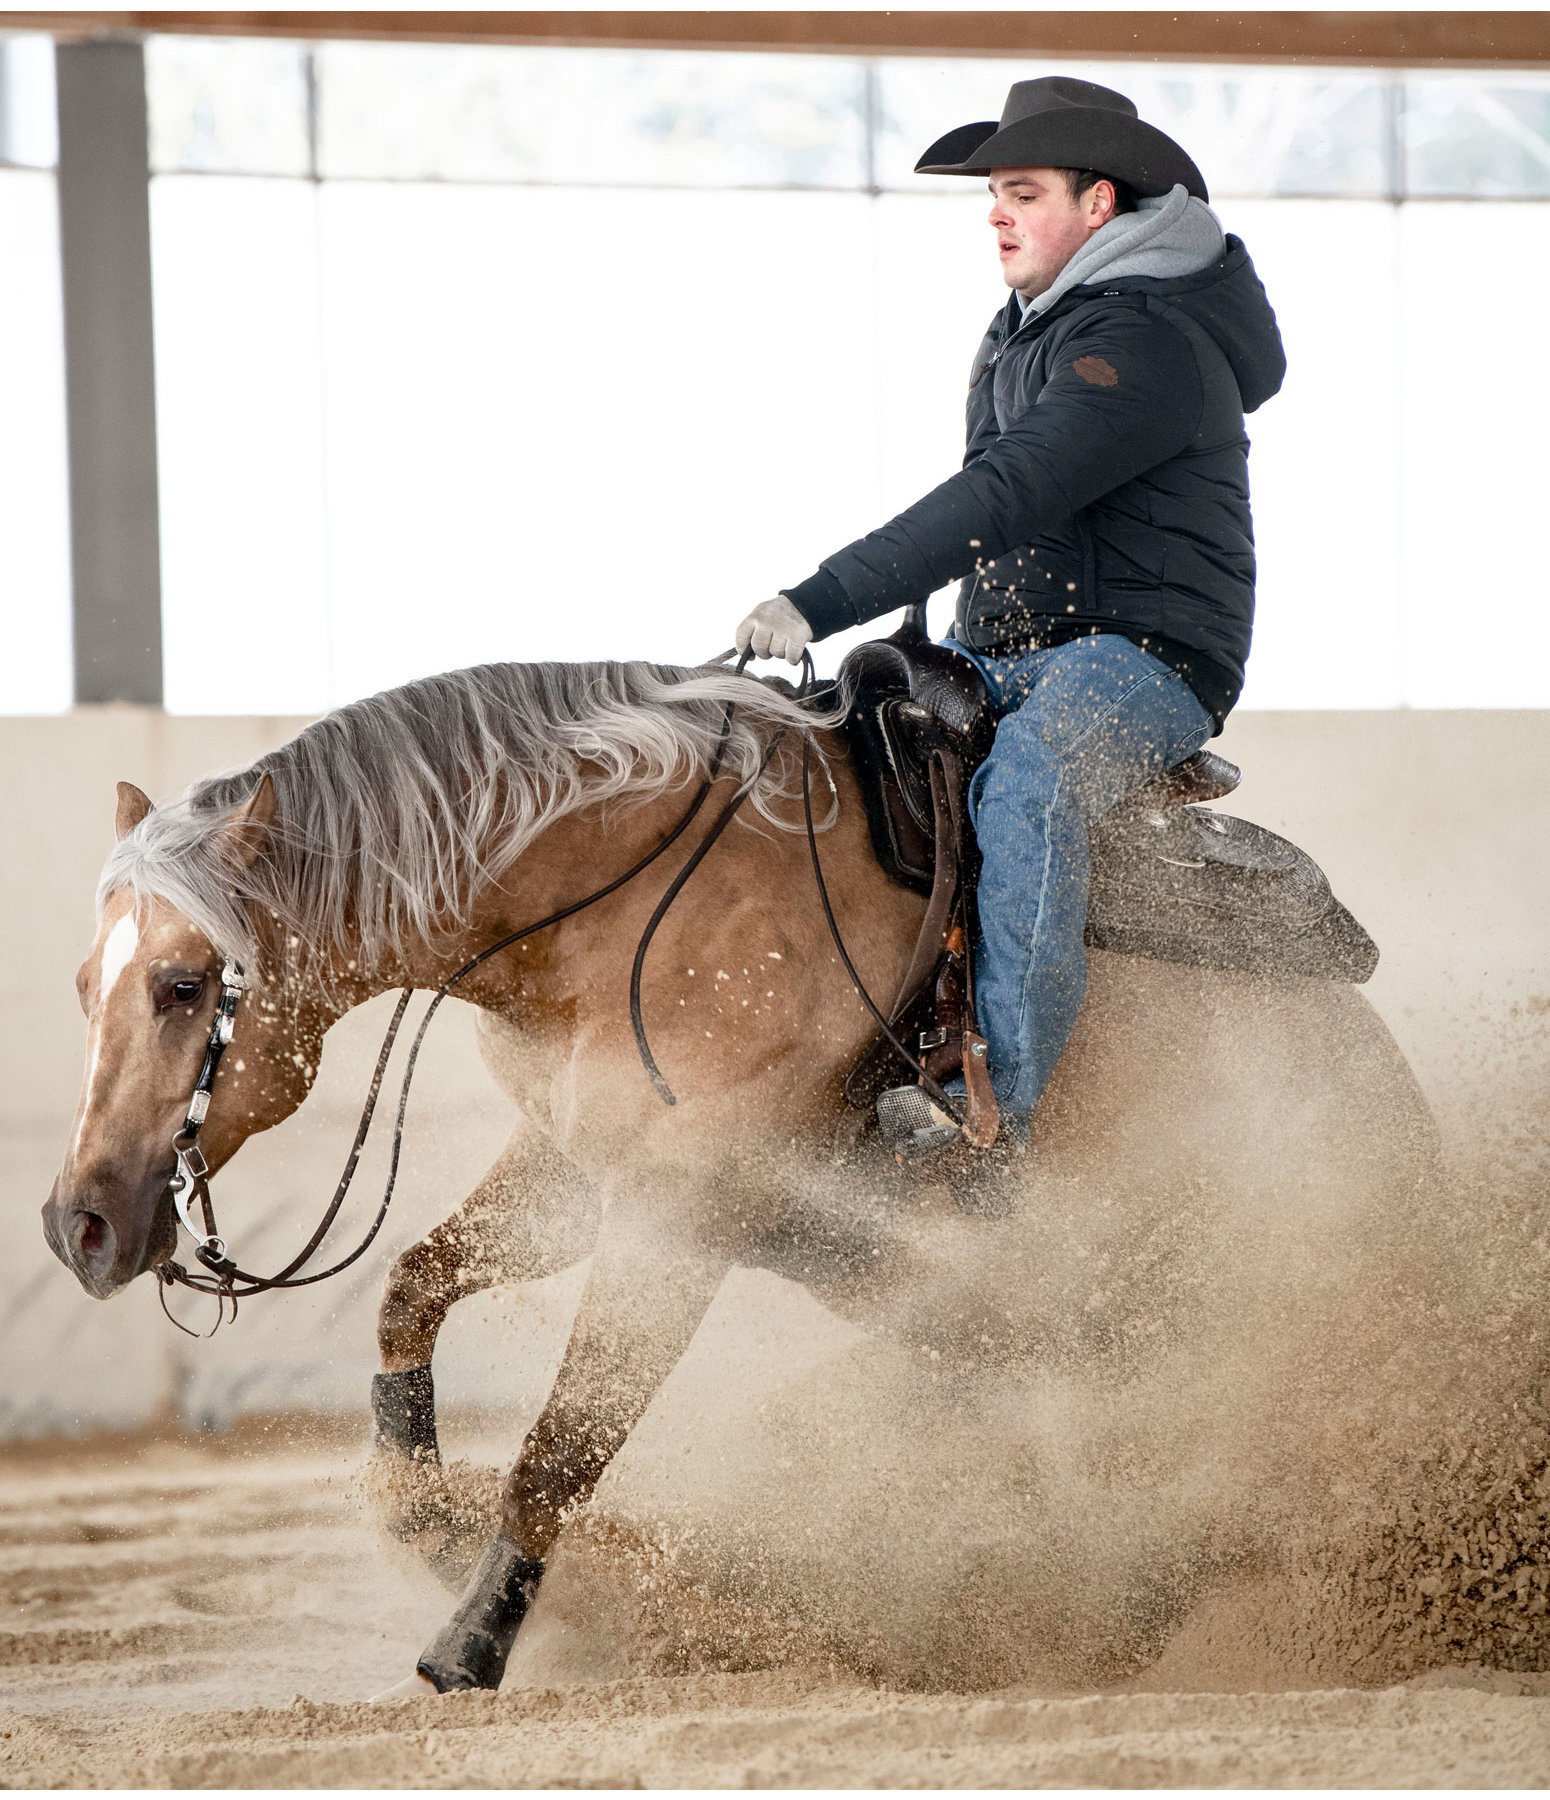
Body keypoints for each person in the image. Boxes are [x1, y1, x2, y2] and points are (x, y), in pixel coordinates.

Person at [735, 75, 1286, 1162]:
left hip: (1146, 658)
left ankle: (995, 1116)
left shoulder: (1144, 341)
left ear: (1099, 204)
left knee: (1030, 775)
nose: (994, 212)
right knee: (847, 744)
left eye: (1021, 191)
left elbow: (1004, 496)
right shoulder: (1028, 330)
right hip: (1009, 648)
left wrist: (819, 598)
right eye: (993, 191)